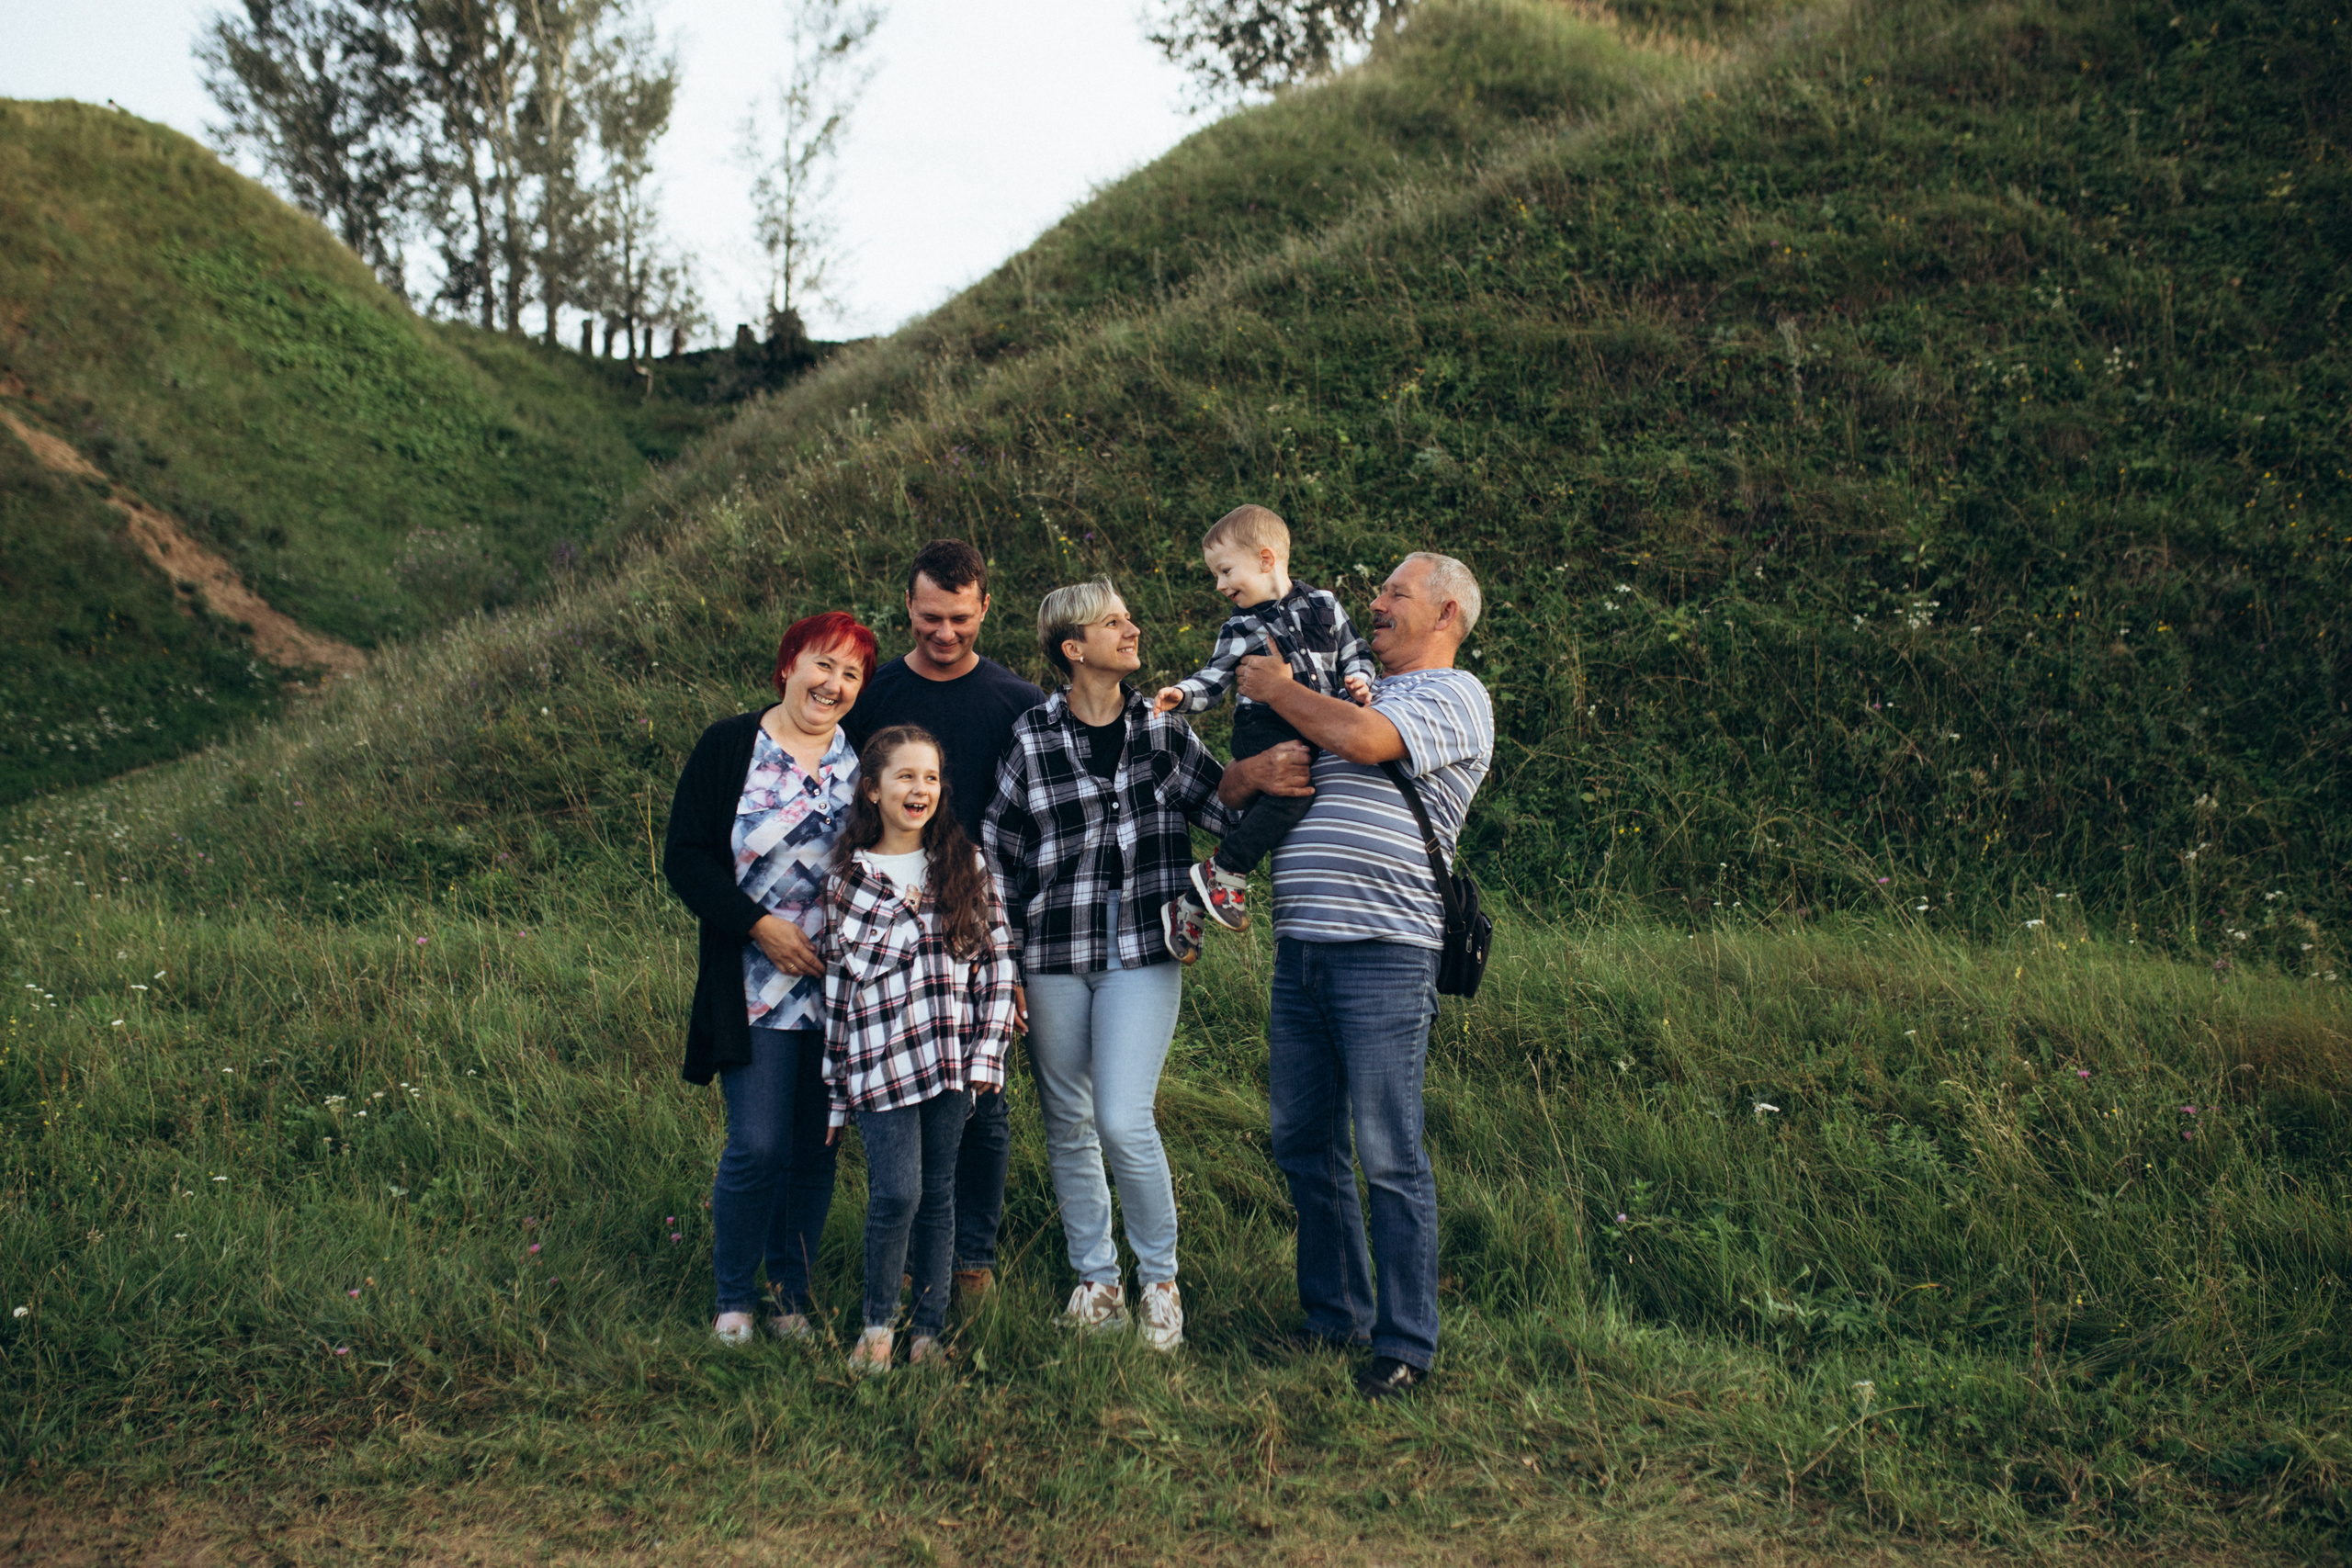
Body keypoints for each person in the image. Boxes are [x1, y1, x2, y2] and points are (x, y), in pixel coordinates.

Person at [1221, 552, 1493, 1398]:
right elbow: (1239, 792)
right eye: (1375, 595)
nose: (1373, 606)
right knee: (1304, 1141)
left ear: (1446, 614)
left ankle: (1406, 1343)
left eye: (1395, 595)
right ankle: (1335, 1315)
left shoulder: (1454, 696)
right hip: (1299, 944)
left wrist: (1275, 689)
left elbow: (1368, 744)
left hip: (1386, 948)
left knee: (1387, 1150)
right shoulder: (1345, 687)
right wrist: (1250, 771)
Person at [982, 577, 1234, 1351]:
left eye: (1129, 616)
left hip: (1144, 950)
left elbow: (1226, 808)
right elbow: (999, 852)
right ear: (1072, 647)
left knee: (1124, 1117)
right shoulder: (1032, 735)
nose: (1132, 630)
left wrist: (1226, 865)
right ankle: (1096, 1283)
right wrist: (1004, 963)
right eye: (1113, 622)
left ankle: (1161, 1283)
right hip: (1052, 953)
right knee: (1068, 1124)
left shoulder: (1164, 730)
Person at [662, 610, 876, 1345]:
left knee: (816, 1148)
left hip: (840, 990)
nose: (834, 683)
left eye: (851, 674)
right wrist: (759, 925)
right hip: (752, 981)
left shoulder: (864, 763)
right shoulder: (730, 746)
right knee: (756, 1144)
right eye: (824, 664)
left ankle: (791, 1297)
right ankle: (734, 1298)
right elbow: (685, 856)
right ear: (789, 664)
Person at [842, 538, 1046, 1304]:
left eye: (960, 618)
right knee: (895, 1097)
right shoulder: (874, 694)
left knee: (982, 1104)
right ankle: (901, 1261)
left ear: (985, 607)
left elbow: (1034, 830)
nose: (945, 633)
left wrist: (1012, 958)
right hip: (889, 921)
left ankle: (971, 1262)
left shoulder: (1018, 702)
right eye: (930, 617)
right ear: (908, 608)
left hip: (982, 925)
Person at [820, 726, 1020, 1373]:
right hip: (878, 1063)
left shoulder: (967, 865)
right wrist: (833, 1091)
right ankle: (877, 1323)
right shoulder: (850, 876)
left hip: (950, 1059)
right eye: (905, 777)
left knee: (939, 1193)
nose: (920, 789)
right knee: (896, 1192)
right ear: (872, 789)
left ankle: (928, 1331)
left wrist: (988, 1054)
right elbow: (851, 969)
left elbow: (997, 964)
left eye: (930, 778)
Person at [1153, 504, 1375, 956]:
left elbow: (1357, 651)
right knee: (1292, 794)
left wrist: (1360, 678)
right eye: (1216, 575)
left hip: (1315, 718)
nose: (1219, 585)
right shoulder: (1238, 627)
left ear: (1266, 560)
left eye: (1226, 571)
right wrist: (1182, 694)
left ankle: (1191, 904)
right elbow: (1213, 679)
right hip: (1263, 726)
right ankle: (1227, 872)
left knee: (1280, 807)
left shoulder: (1325, 605)